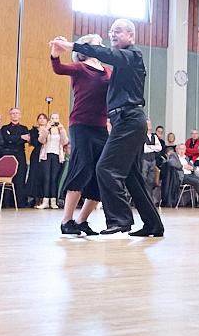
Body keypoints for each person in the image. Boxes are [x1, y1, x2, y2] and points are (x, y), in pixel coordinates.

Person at [50, 19, 165, 236]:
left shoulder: (132, 55)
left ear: (131, 36)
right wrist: (60, 54)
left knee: (105, 169)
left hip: (128, 119)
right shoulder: (112, 65)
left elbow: (106, 55)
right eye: (110, 31)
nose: (112, 35)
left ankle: (120, 219)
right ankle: (153, 225)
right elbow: (67, 68)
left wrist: (72, 46)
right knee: (132, 177)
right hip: (120, 121)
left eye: (117, 32)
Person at [51, 33, 111, 235]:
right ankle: (66, 221)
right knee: (82, 167)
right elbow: (58, 68)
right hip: (81, 125)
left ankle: (81, 221)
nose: (101, 46)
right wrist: (55, 54)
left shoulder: (108, 71)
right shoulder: (79, 68)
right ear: (85, 49)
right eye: (97, 44)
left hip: (101, 127)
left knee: (101, 172)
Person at [162, 143, 199, 208]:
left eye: (183, 149)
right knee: (197, 182)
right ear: (176, 149)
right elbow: (171, 163)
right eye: (180, 149)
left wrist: (191, 168)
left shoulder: (186, 157)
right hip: (182, 176)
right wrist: (183, 166)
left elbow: (193, 167)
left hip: (190, 175)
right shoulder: (173, 155)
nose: (182, 151)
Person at [1, 108, 31, 206]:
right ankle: (6, 203)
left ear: (20, 115)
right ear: (10, 115)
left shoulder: (24, 128)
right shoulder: (5, 128)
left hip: (20, 155)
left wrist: (14, 138)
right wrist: (20, 137)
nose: (15, 115)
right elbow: (6, 139)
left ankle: (20, 203)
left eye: (17, 113)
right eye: (13, 113)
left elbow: (25, 140)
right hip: (8, 155)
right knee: (8, 178)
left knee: (20, 178)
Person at [26, 113, 50, 207]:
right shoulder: (33, 130)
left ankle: (44, 198)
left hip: (47, 153)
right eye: (40, 118)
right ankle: (35, 198)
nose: (42, 120)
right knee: (35, 175)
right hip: (37, 153)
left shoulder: (51, 130)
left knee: (44, 175)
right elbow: (34, 142)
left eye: (44, 118)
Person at [142, 120, 164, 205]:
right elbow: (144, 149)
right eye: (148, 124)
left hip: (152, 160)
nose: (149, 126)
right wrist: (153, 147)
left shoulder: (154, 137)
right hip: (144, 160)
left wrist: (150, 147)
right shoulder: (141, 136)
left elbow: (160, 148)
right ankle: (142, 199)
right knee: (143, 179)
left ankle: (149, 199)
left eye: (150, 124)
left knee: (151, 180)